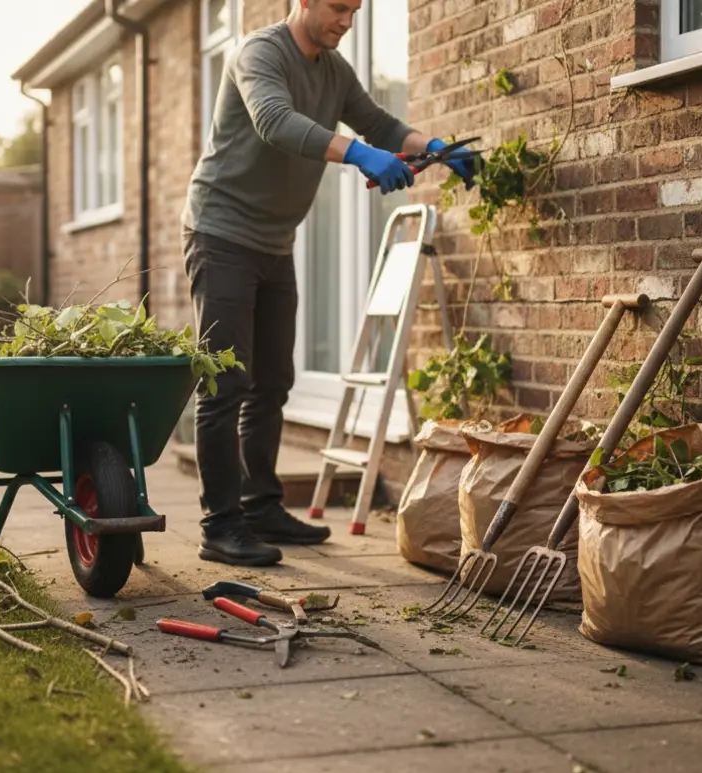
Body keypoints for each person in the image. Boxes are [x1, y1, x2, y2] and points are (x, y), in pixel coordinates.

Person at [180, 0, 478, 567]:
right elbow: (275, 121)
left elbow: (379, 123)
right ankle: (220, 526)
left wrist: (432, 147)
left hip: (273, 241)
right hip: (220, 232)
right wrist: (359, 155)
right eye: (338, 8)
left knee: (272, 381)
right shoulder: (259, 53)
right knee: (225, 381)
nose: (347, 21)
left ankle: (260, 505)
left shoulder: (334, 70)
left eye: (355, 10)